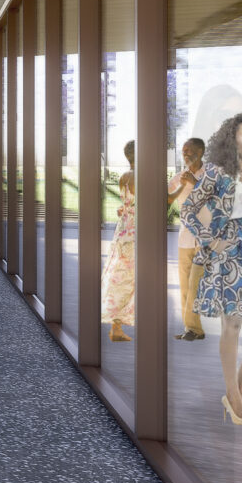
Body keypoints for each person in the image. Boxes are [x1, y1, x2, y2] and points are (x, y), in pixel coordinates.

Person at [181, 112, 242, 427]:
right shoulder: (216, 173)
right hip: (229, 256)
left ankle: (236, 392)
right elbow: (187, 208)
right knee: (233, 327)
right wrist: (209, 241)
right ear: (232, 139)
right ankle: (234, 395)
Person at [168, 138, 207, 341]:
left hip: (204, 240)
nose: (185, 154)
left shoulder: (211, 176)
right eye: (183, 151)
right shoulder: (178, 177)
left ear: (200, 152)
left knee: (194, 285)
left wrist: (195, 183)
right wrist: (179, 187)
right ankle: (192, 329)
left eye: (189, 151)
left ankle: (193, 328)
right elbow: (165, 198)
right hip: (185, 239)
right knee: (185, 285)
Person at [100, 140, 137, 343]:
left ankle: (117, 327)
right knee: (133, 279)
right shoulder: (141, 176)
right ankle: (120, 326)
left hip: (123, 229)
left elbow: (126, 204)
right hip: (136, 230)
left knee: (121, 277)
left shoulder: (124, 177)